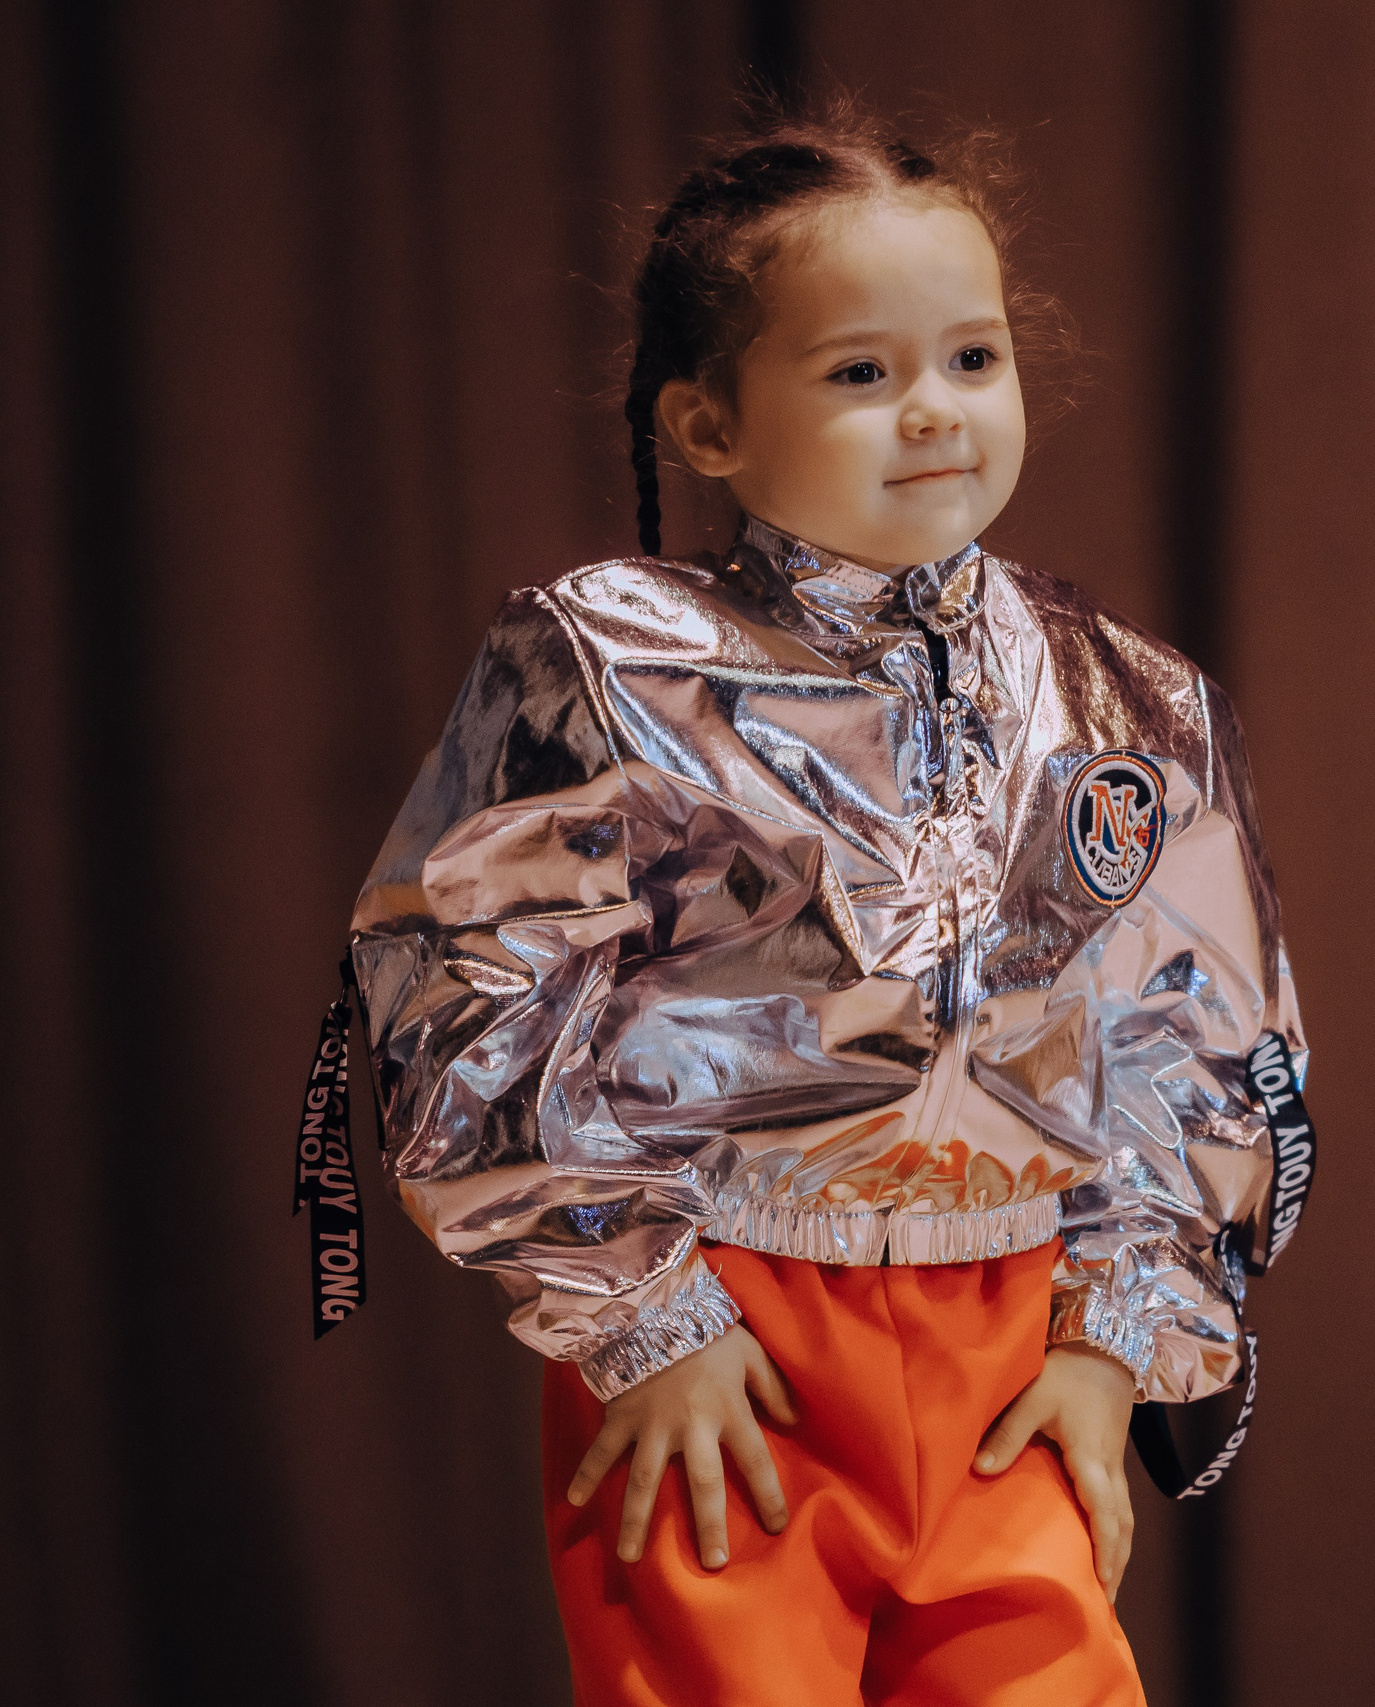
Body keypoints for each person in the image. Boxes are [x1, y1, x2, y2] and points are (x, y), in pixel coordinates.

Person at [345, 105, 1306, 1707]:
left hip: (1014, 1336)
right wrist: (639, 1311)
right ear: (708, 426)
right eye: (861, 373)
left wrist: (1108, 1342)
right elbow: (456, 993)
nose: (932, 412)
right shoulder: (608, 661)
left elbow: (1195, 1035)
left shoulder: (1131, 695)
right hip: (730, 1342)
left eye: (972, 361)